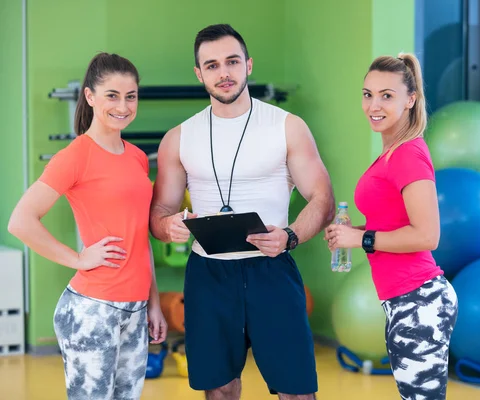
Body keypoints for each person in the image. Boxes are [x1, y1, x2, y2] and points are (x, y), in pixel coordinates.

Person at [149, 24, 334, 400]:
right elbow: (160, 213)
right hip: (208, 274)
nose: (224, 73)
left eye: (232, 61)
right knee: (219, 388)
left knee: (297, 391)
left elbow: (322, 199)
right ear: (199, 74)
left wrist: (290, 236)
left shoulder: (287, 127)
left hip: (272, 269)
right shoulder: (179, 137)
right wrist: (169, 226)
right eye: (212, 65)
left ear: (248, 64)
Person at [8, 52, 167, 400]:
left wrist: (153, 303)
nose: (123, 105)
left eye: (131, 96)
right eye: (112, 95)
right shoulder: (76, 155)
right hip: (93, 308)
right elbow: (20, 221)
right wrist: (77, 259)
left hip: (136, 308)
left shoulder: (138, 156)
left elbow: (141, 238)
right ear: (90, 96)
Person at [324, 53, 459, 399]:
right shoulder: (392, 152)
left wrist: (362, 238)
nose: (374, 105)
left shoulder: (407, 154)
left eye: (387, 95)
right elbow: (393, 222)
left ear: (410, 100)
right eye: (368, 94)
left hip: (419, 299)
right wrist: (353, 232)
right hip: (403, 299)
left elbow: (427, 235)